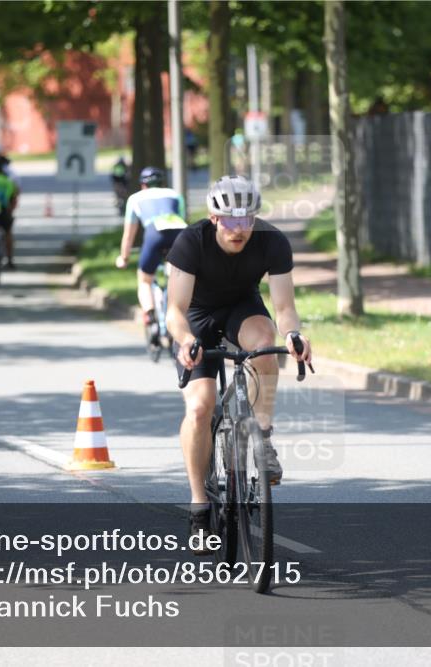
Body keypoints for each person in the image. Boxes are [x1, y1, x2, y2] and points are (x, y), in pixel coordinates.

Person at [165, 175, 313, 553]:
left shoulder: (272, 242)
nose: (239, 228)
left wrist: (293, 335)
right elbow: (175, 311)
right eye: (230, 220)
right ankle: (199, 507)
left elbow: (284, 308)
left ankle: (261, 435)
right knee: (200, 407)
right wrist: (185, 342)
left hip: (242, 310)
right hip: (197, 319)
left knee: (264, 347)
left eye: (246, 219)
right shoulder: (190, 242)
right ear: (214, 218)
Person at [115, 166, 187, 344]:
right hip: (180, 233)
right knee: (174, 276)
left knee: (145, 281)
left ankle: (150, 316)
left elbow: (129, 234)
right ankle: (175, 310)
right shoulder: (174, 194)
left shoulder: (135, 198)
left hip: (155, 233)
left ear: (143, 185)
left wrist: (123, 257)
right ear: (162, 183)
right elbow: (183, 220)